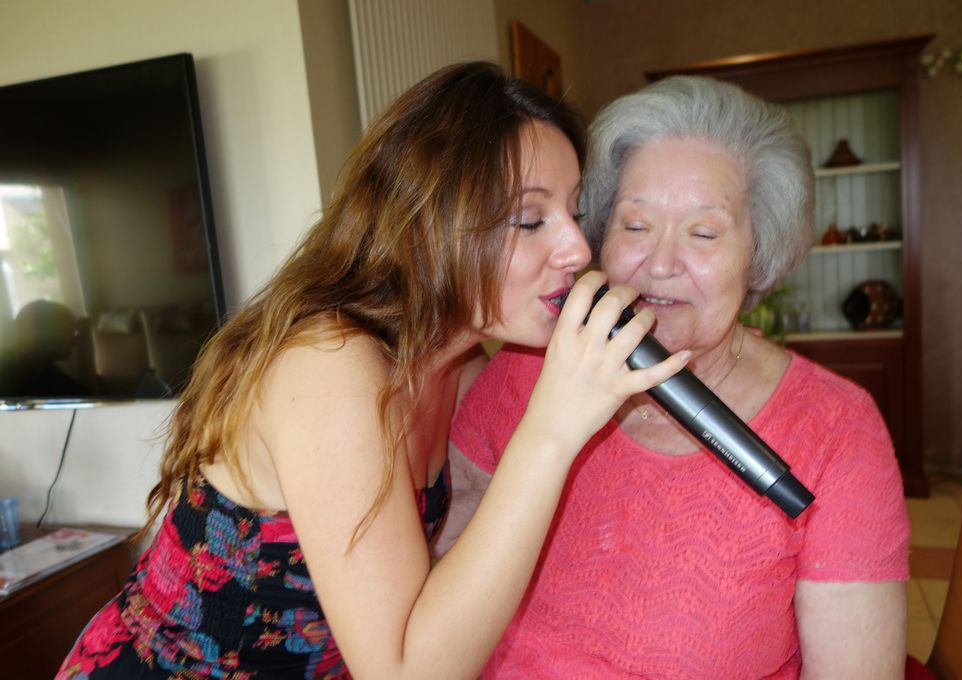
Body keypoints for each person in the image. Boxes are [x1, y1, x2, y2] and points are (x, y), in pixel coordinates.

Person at [56, 62, 689, 679]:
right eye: (529, 219)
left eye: (573, 213)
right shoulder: (328, 366)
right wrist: (551, 432)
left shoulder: (462, 362)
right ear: (427, 227)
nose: (577, 249)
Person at [438, 75, 910, 678]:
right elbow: (442, 575)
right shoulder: (525, 369)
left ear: (759, 252)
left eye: (704, 233)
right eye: (634, 226)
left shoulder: (836, 430)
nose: (658, 264)